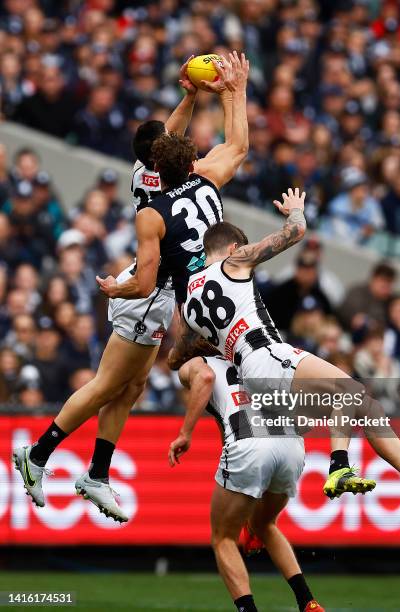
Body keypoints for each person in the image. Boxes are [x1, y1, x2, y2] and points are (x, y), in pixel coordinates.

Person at [14, 52, 250, 521]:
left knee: (133, 386)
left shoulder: (149, 174)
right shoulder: (194, 184)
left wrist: (190, 96)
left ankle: (96, 474)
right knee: (108, 386)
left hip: (154, 294)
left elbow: (167, 139)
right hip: (148, 293)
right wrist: (229, 93)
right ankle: (37, 455)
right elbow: (223, 146)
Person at [172, 188, 400, 511]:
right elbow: (296, 231)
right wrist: (295, 210)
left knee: (363, 404)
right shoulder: (235, 260)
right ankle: (339, 468)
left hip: (253, 377)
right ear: (234, 247)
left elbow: (177, 355)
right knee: (351, 391)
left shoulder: (189, 304)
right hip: (270, 357)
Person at [168, 354, 324, 612]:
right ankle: (308, 601)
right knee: (265, 524)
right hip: (291, 442)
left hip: (248, 438)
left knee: (223, 538)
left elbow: (206, 378)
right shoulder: (260, 353)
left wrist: (185, 433)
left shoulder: (200, 362)